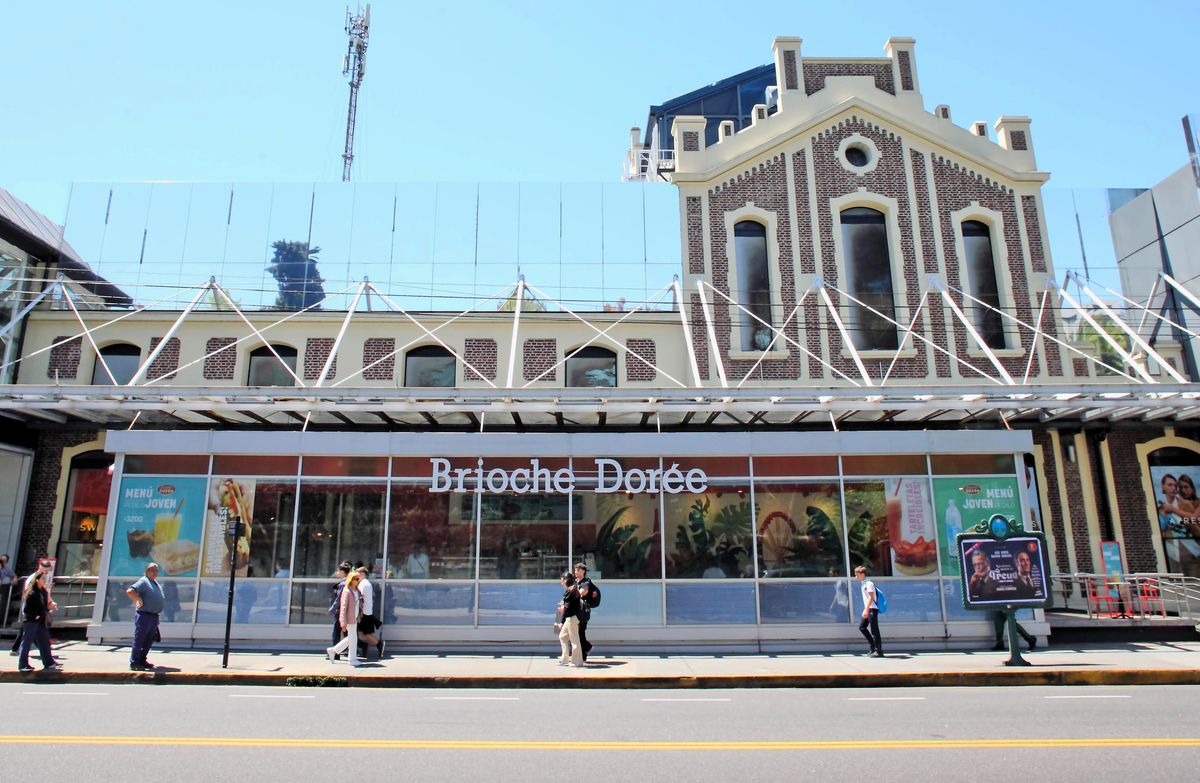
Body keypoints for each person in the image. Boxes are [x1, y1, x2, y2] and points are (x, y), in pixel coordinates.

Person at [16, 570, 60, 673]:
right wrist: (35, 615)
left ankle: (49, 662)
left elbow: (44, 605)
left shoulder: (43, 592)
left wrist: (50, 606)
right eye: (42, 579)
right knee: (26, 643)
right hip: (31, 621)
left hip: (41, 621)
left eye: (45, 578)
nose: (44, 580)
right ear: (36, 580)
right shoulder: (32, 592)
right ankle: (23, 664)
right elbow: (26, 609)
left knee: (45, 641)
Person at [10, 559, 56, 656]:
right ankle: (40, 648)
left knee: (29, 629)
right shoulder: (33, 578)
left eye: (48, 570)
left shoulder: (41, 579)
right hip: (33, 609)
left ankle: (18, 648)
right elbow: (30, 593)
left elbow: (43, 592)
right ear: (40, 568)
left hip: (39, 608)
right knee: (29, 630)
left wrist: (49, 601)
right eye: (45, 570)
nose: (46, 573)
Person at [125, 562, 164, 671]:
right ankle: (134, 662)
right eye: (151, 570)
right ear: (146, 571)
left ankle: (142, 660)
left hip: (153, 616)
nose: (154, 572)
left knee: (148, 640)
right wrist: (139, 599)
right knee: (140, 639)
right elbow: (130, 591)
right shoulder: (144, 581)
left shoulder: (154, 582)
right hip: (144, 615)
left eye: (156, 570)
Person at [326, 571, 364, 667]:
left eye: (358, 579)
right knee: (353, 638)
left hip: (355, 617)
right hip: (349, 618)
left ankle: (333, 650)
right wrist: (342, 622)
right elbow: (343, 607)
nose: (358, 581)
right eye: (356, 579)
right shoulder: (346, 591)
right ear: (351, 580)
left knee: (351, 637)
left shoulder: (356, 590)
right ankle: (352, 659)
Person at [355, 565, 384, 659]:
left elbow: (360, 598)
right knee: (361, 634)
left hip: (364, 613)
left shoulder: (364, 584)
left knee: (363, 634)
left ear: (362, 574)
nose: (356, 576)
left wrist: (359, 612)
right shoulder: (365, 583)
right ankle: (365, 646)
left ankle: (378, 644)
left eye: (357, 574)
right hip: (365, 612)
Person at [555, 571, 583, 668]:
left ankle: (577, 662)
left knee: (574, 640)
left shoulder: (570, 591)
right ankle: (565, 659)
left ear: (566, 580)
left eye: (562, 580)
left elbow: (567, 608)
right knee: (562, 636)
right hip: (571, 617)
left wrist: (561, 622)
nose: (561, 582)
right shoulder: (573, 589)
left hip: (572, 618)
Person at [855, 565, 883, 658]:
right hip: (868, 608)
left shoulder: (868, 583)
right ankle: (873, 647)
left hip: (872, 609)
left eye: (857, 575)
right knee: (862, 627)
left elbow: (871, 597)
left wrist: (866, 609)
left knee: (874, 630)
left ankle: (879, 651)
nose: (856, 577)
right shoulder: (863, 583)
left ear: (862, 574)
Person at [573, 562, 598, 662]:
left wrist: (571, 591)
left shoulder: (586, 583)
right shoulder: (577, 582)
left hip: (583, 612)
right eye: (575, 570)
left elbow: (581, 594)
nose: (576, 572)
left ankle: (586, 649)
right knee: (578, 633)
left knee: (580, 632)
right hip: (576, 611)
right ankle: (584, 653)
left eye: (578, 570)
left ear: (583, 571)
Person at [328, 562, 352, 657]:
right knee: (346, 631)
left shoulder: (342, 584)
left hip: (340, 611)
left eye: (339, 570)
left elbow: (338, 599)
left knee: (336, 632)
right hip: (347, 611)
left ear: (342, 572)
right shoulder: (349, 582)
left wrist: (332, 608)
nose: (337, 572)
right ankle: (349, 651)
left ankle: (335, 653)